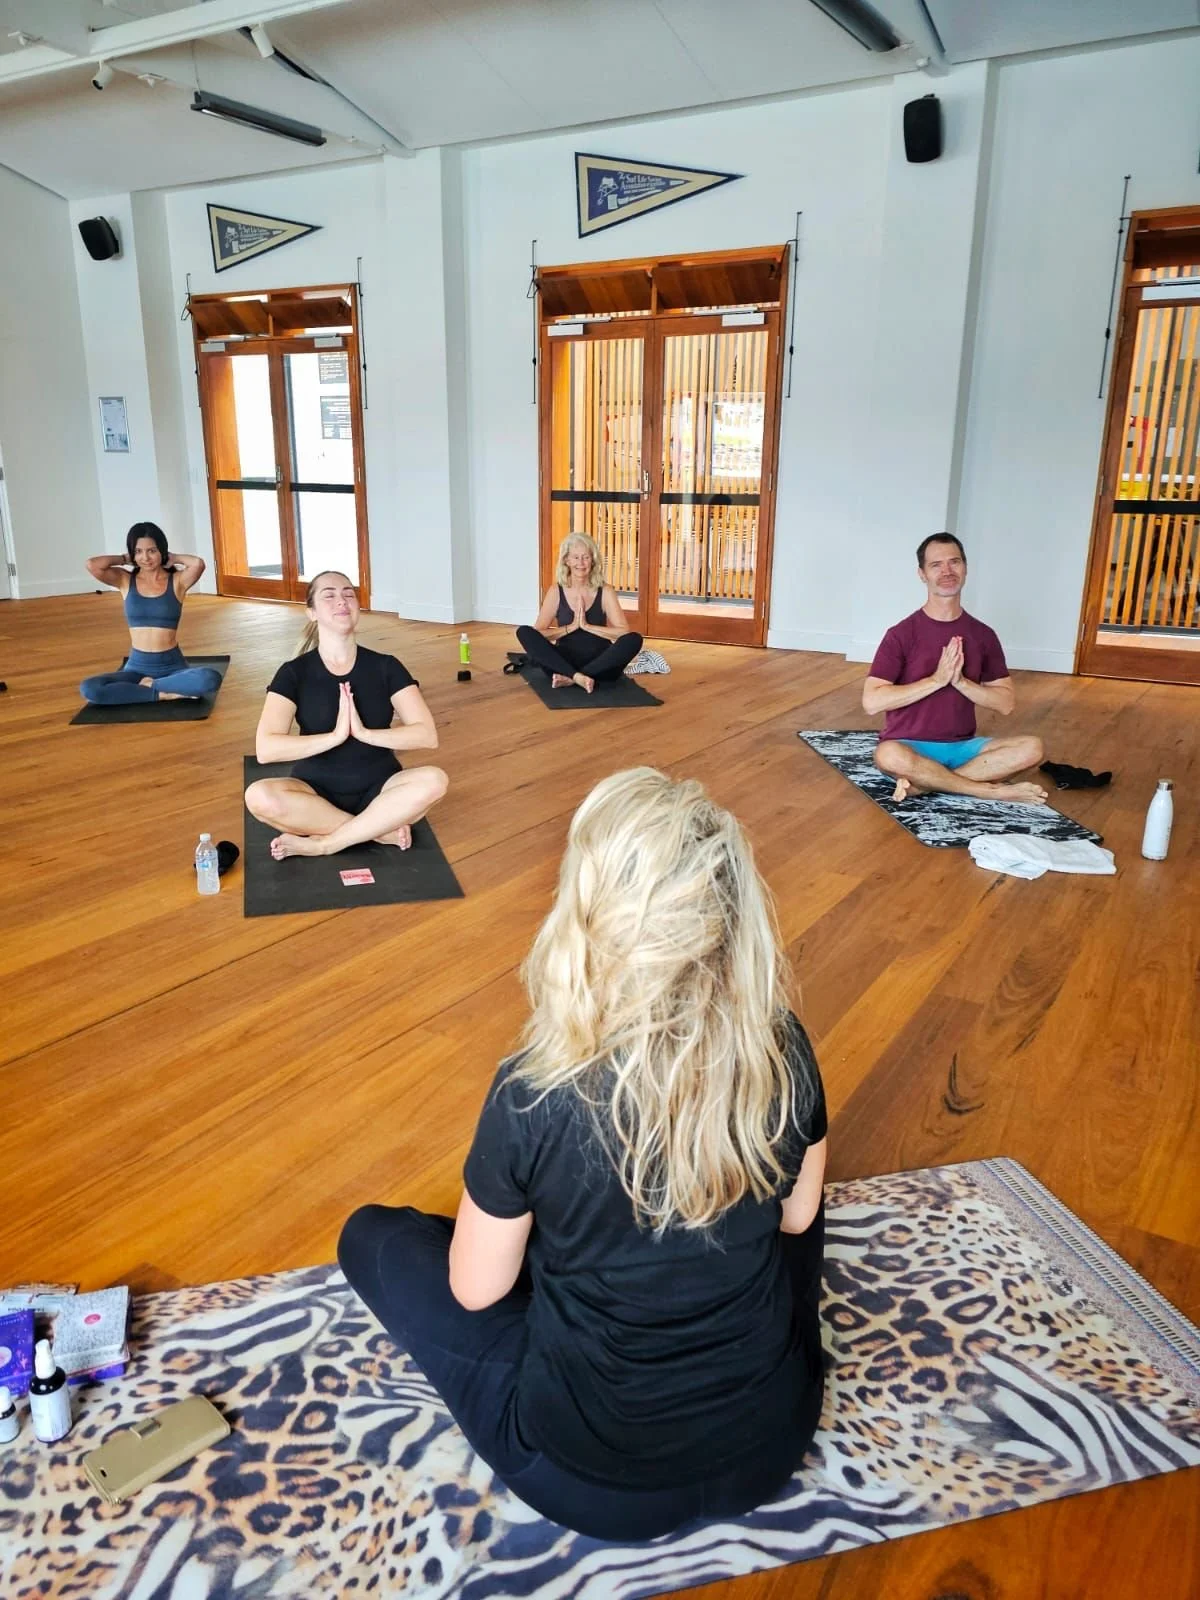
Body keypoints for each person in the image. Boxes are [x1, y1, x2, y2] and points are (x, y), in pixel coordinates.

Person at [338, 767, 828, 1542]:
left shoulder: (537, 1088)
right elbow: (799, 1217)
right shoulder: (784, 1047)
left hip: (591, 1481)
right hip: (771, 1447)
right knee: (780, 1229)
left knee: (372, 1236)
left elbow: (475, 1291)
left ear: (590, 909)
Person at [245, 570, 447, 859]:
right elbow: (266, 749)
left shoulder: (386, 666)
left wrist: (364, 734)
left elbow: (427, 735)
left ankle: (327, 843)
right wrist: (335, 737)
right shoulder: (293, 673)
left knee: (434, 780)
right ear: (311, 613)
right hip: (313, 793)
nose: (341, 600)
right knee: (258, 796)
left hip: (380, 789)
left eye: (348, 594)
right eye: (329, 595)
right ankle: (376, 831)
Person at [863, 533, 1047, 805]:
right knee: (887, 755)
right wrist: (937, 680)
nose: (947, 571)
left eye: (954, 562)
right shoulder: (901, 634)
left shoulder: (983, 635)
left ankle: (927, 785)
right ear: (922, 574)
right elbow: (872, 701)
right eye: (936, 565)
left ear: (965, 569)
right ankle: (985, 790)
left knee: (1032, 748)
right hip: (910, 746)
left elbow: (1005, 703)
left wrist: (961, 682)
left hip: (962, 748)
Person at [80, 523, 222, 704]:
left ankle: (147, 688)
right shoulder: (125, 580)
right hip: (136, 668)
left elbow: (198, 564)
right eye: (138, 551)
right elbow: (92, 564)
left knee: (209, 678)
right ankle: (163, 693)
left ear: (162, 551)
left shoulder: (177, 581)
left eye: (152, 551)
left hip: (172, 667)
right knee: (89, 688)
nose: (145, 558)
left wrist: (174, 557)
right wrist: (124, 558)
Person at [516, 532, 642, 693]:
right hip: (563, 662)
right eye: (575, 557)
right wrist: (571, 627)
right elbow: (539, 633)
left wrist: (587, 626)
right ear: (566, 560)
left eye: (586, 557)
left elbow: (623, 632)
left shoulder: (605, 591)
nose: (581, 563)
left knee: (634, 639)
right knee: (524, 632)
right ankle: (578, 677)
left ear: (593, 560)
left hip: (602, 663)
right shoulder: (556, 591)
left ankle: (572, 678)